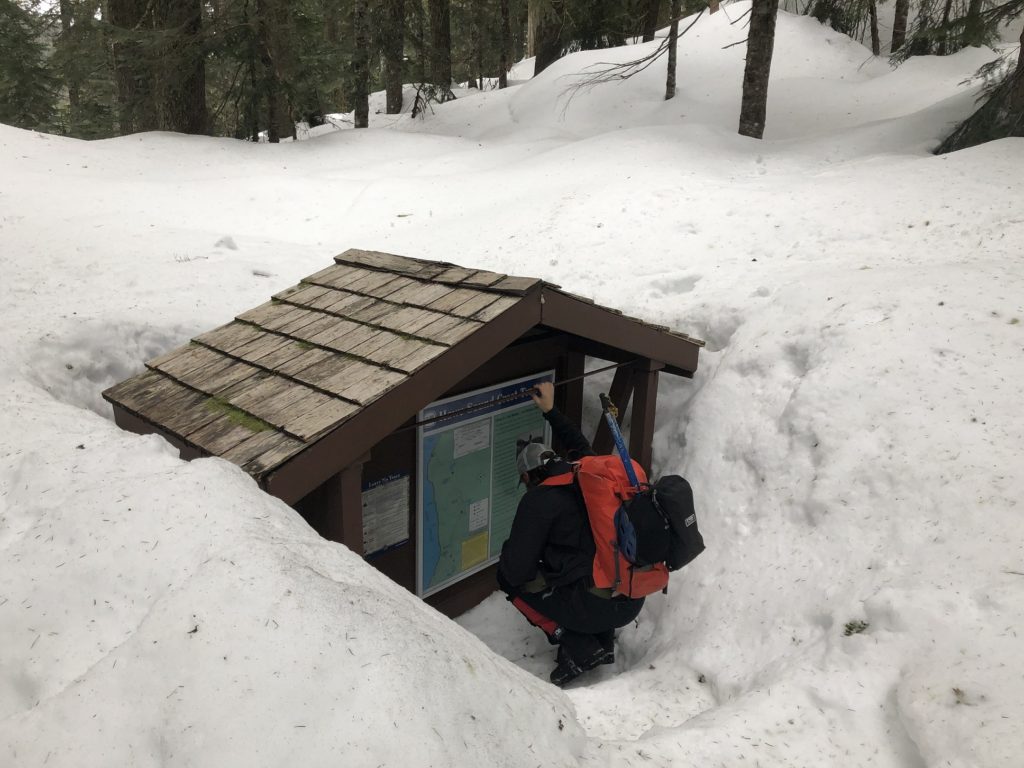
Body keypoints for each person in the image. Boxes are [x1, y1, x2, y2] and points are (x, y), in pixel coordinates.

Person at [497, 381, 646, 686]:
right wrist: (551, 411)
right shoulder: (589, 473)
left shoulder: (539, 500)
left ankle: (580, 646)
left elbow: (515, 570)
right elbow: (577, 442)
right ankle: (602, 643)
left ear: (526, 476)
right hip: (632, 595)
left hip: (594, 607)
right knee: (591, 565)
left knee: (509, 580)